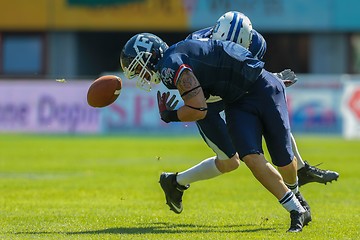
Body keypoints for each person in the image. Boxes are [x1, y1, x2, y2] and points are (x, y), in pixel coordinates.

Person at [120, 31, 311, 232]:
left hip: (261, 88)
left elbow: (199, 108)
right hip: (236, 100)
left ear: (151, 56)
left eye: (140, 67)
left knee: (284, 161)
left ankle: (297, 196)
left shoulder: (171, 63)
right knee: (250, 158)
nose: (141, 74)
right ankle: (296, 210)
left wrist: (171, 115)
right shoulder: (177, 55)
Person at [186, 11, 339, 188]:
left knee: (269, 116)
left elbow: (249, 76)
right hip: (207, 104)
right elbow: (201, 91)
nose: (229, 53)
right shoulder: (196, 46)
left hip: (234, 92)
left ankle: (301, 169)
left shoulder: (256, 43)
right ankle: (176, 181)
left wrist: (269, 79)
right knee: (230, 161)